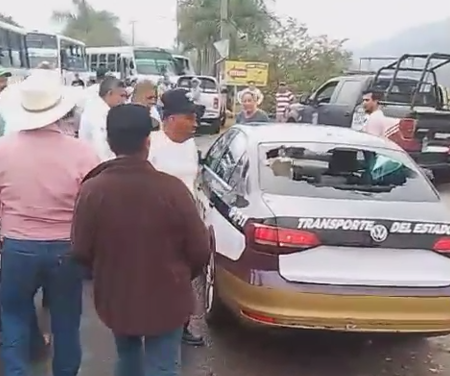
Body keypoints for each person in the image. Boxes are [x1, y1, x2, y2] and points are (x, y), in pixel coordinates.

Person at [71, 103, 211, 376]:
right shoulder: (173, 190)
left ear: (110, 142)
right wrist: (180, 274)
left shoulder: (92, 190)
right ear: (148, 141)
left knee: (127, 358)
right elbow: (200, 249)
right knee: (163, 365)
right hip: (168, 297)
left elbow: (80, 249)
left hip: (117, 296)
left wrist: (105, 273)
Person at [0, 69, 100, 376]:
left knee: (13, 317)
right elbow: (91, 206)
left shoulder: (4, 149)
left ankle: (17, 372)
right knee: (66, 322)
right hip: (66, 248)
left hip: (16, 246)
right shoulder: (83, 153)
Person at [148, 89, 205, 346]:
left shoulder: (190, 145)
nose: (195, 125)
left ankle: (180, 324)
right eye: (189, 118)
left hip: (186, 222)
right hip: (156, 224)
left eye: (196, 119)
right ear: (170, 119)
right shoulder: (152, 144)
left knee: (184, 279)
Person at [79, 76, 127, 161]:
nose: (124, 100)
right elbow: (101, 148)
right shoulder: (97, 113)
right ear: (110, 93)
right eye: (121, 95)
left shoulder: (96, 108)